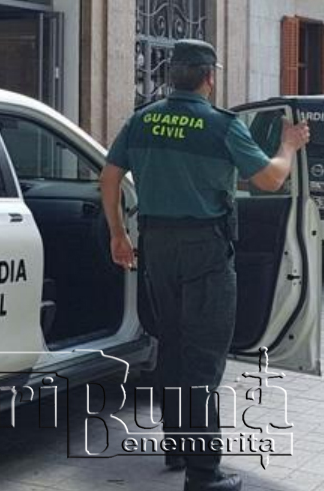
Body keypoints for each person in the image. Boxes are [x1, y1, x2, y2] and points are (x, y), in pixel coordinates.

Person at [101, 39, 309, 491]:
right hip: (206, 252)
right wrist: (289, 145)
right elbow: (271, 180)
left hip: (157, 247)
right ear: (209, 77)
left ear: (171, 74)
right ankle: (203, 474)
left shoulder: (142, 120)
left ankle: (177, 446)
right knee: (203, 361)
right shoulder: (222, 125)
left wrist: (118, 233)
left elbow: (110, 177)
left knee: (173, 348)